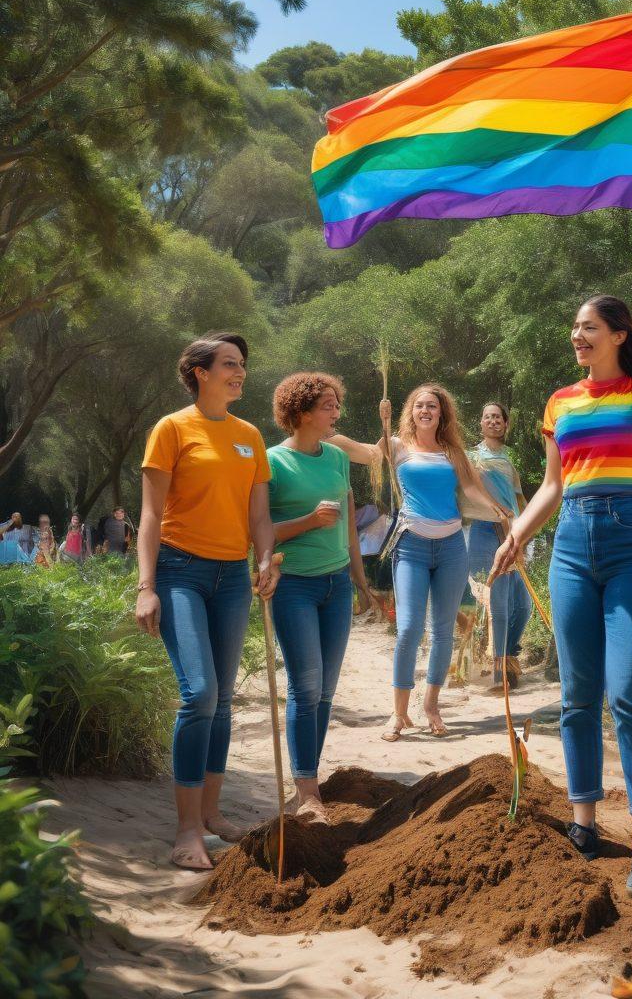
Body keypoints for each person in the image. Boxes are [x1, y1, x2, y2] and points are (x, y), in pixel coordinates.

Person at [492, 229, 632, 900]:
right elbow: (554, 486)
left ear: (617, 333)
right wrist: (516, 535)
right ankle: (584, 823)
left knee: (628, 693)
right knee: (576, 695)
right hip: (573, 549)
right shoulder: (561, 402)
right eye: (575, 329)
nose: (577, 336)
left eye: (588, 327)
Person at [135, 331, 278, 871]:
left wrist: (266, 560)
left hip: (233, 578)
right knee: (200, 693)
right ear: (200, 372)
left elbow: (258, 516)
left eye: (242, 365)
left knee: (222, 701)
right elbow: (150, 516)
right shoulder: (171, 429)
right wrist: (146, 587)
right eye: (228, 364)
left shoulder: (249, 435)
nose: (239, 373)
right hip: (180, 572)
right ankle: (187, 829)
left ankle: (213, 815)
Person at [332, 385, 507, 740]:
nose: (425, 410)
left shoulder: (453, 451)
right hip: (411, 545)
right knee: (410, 628)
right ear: (409, 411)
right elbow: (365, 454)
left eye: (432, 406)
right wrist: (324, 431)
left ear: (442, 413)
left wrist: (502, 514)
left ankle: (430, 705)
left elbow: (473, 490)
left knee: (442, 631)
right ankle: (397, 714)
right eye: (419, 405)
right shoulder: (395, 445)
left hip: (452, 548)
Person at [267, 372, 382, 823]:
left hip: (335, 584)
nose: (336, 413)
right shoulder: (272, 462)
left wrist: (360, 580)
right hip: (292, 583)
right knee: (306, 684)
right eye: (328, 406)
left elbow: (350, 527)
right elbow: (257, 532)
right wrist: (308, 522)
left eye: (337, 404)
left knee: (326, 691)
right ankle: (306, 791)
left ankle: (307, 779)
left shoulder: (336, 459)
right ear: (301, 413)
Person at [463, 402, 532, 689]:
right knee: (499, 604)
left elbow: (519, 501)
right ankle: (499, 672)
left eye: (498, 417)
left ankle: (507, 656)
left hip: (511, 533)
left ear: (505, 424)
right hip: (482, 533)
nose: (493, 421)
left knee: (524, 605)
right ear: (480, 423)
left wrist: (525, 535)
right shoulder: (469, 457)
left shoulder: (508, 461)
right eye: (487, 416)